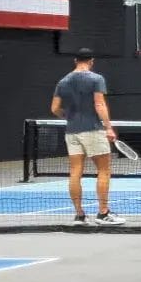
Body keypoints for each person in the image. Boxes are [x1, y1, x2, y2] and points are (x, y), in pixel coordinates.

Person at [50, 48, 124, 227]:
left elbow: (54, 109)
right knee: (104, 171)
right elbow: (99, 104)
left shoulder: (63, 81)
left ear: (75, 60)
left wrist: (67, 117)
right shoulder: (96, 79)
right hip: (92, 130)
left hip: (72, 132)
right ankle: (103, 213)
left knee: (75, 173)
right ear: (91, 61)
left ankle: (79, 216)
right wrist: (109, 128)